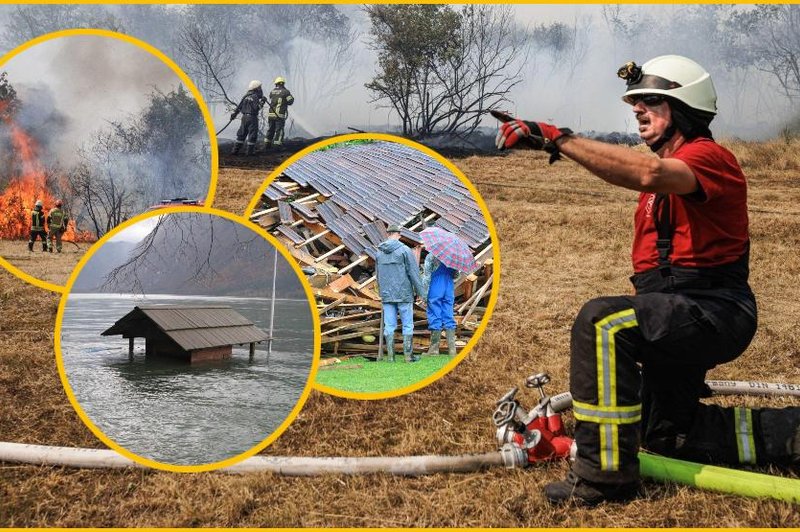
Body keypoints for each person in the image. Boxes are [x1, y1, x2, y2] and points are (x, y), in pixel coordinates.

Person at [496, 55, 800, 505]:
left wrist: (556, 138)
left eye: (651, 101)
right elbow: (650, 275)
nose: (638, 110)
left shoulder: (708, 158)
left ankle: (604, 478)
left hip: (713, 310)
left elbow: (648, 171)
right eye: (635, 103)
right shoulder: (655, 193)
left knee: (603, 321)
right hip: (672, 314)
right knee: (668, 436)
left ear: (685, 108)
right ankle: (791, 435)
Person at [376, 225, 425, 363]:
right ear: (398, 234)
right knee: (407, 324)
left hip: (387, 294)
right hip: (404, 293)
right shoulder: (405, 250)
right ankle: (408, 357)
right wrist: (421, 293)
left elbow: (378, 275)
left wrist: (381, 291)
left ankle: (391, 357)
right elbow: (414, 273)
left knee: (389, 325)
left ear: (388, 234)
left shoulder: (379, 252)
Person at [421, 252, 459, 356]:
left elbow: (426, 276)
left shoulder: (431, 256)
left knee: (434, 315)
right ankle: (452, 350)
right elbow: (456, 275)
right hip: (449, 287)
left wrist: (424, 295)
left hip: (435, 286)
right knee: (448, 315)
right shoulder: (454, 256)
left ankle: (434, 350)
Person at [230, 80, 266, 156]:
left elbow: (239, 107)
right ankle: (249, 152)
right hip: (252, 118)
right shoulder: (255, 96)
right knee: (252, 135)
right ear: (256, 88)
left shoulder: (245, 96)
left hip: (244, 118)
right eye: (260, 88)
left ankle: (235, 151)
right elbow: (256, 108)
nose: (261, 89)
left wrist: (234, 114)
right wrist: (262, 102)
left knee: (241, 134)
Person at [264, 76, 294, 148]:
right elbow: (290, 101)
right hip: (279, 115)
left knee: (270, 129)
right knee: (279, 131)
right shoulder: (286, 92)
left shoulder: (272, 92)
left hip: (271, 114)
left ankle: (267, 144)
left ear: (276, 84)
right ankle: (277, 145)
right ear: (283, 83)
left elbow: (272, 97)